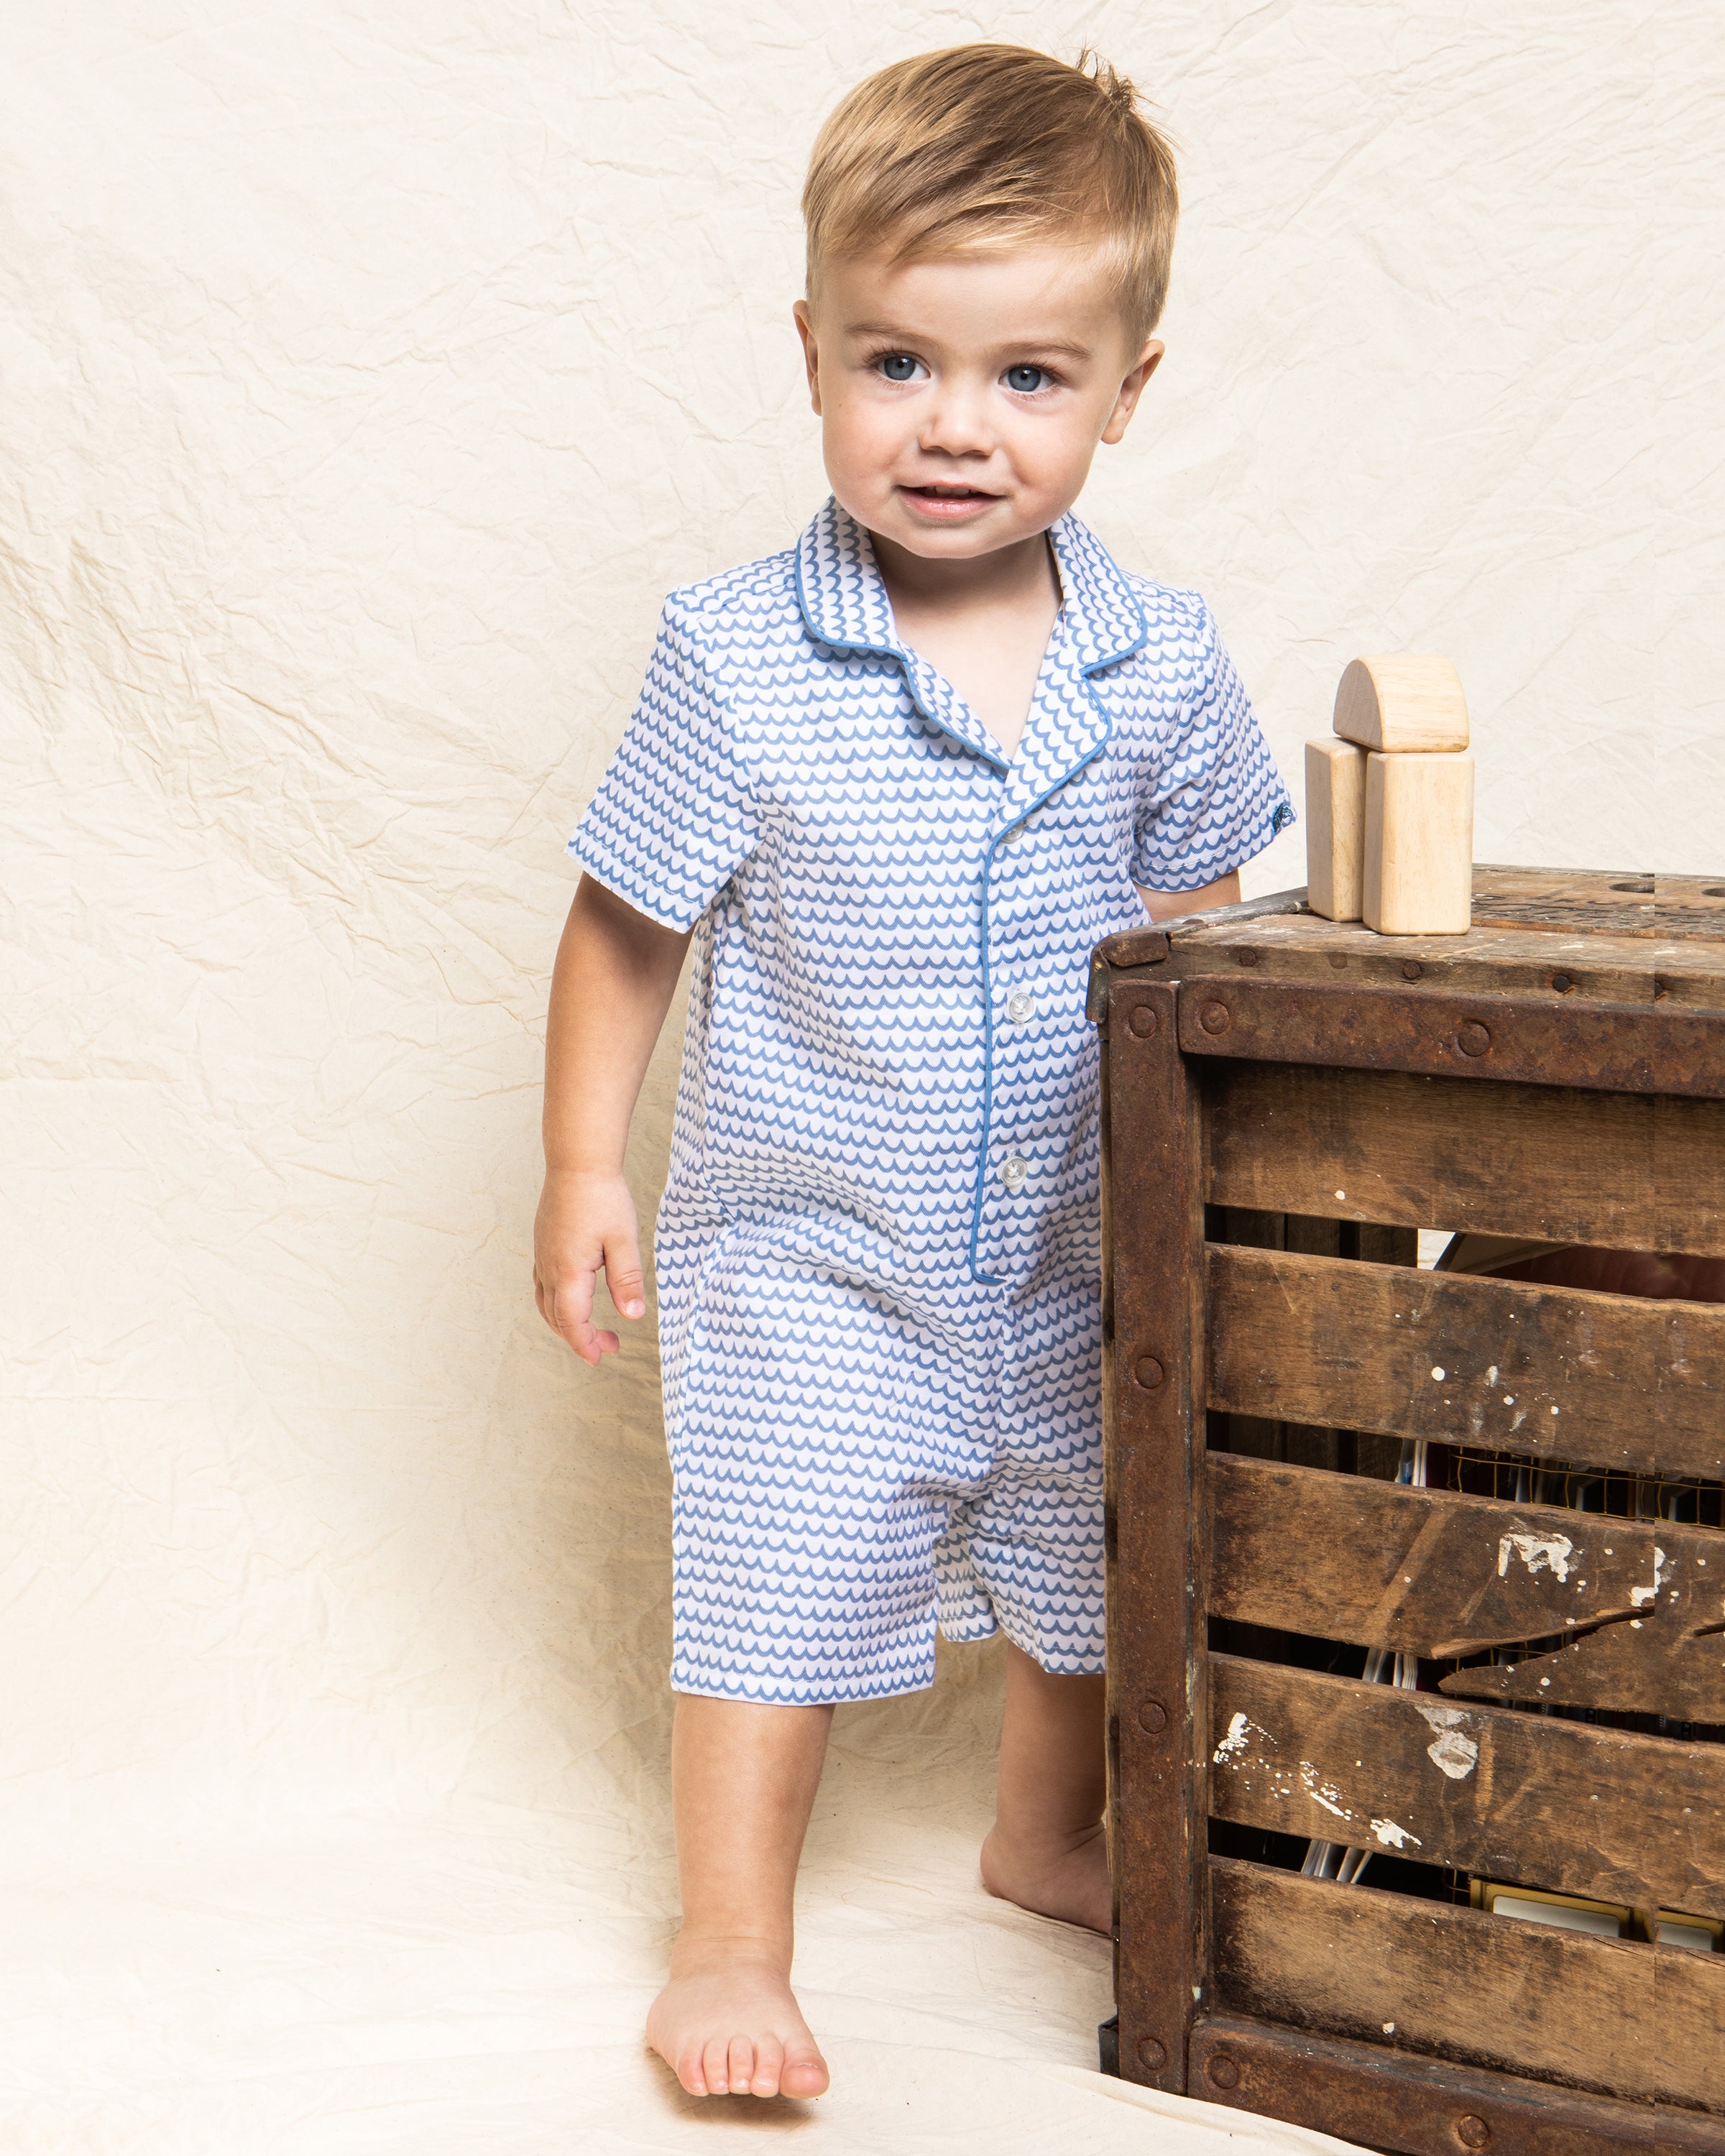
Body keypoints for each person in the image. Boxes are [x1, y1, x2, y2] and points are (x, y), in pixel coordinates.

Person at [533, 44, 1293, 2103]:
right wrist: (584, 1165)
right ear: (810, 353)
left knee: (1101, 1550)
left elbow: (1206, 942)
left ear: (1130, 384)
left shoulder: (1161, 655)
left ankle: (1046, 1833)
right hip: (813, 1253)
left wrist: (1220, 1204)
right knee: (778, 1572)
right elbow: (629, 924)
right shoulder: (737, 653)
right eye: (898, 364)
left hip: (1074, 1240)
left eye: (1030, 377)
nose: (957, 428)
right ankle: (729, 1943)